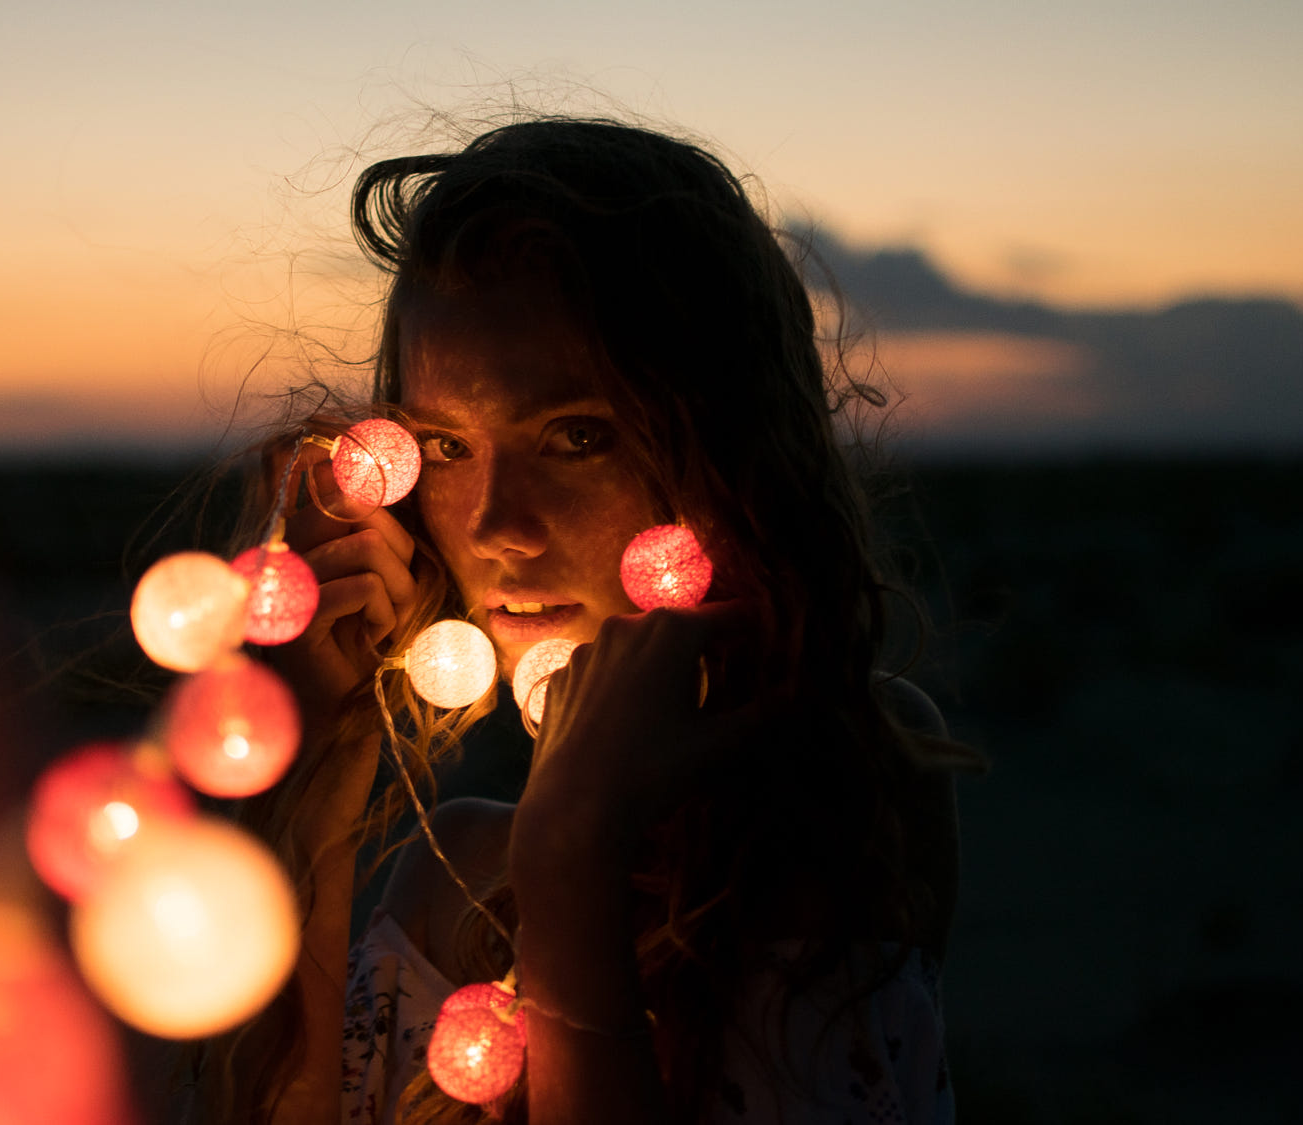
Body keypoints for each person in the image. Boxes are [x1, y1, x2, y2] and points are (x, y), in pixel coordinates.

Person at [190, 116, 983, 1125]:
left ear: (727, 450)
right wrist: (312, 777)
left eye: (574, 435)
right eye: (444, 446)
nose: (494, 528)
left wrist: (570, 872)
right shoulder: (448, 884)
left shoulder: (855, 789)